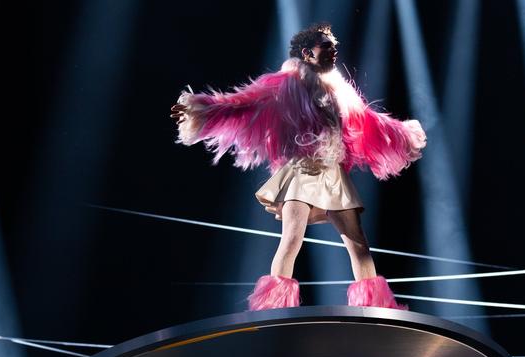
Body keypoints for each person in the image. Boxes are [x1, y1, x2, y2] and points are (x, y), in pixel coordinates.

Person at [171, 22, 426, 311]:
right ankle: (270, 310)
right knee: (292, 240)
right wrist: (200, 108)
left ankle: (374, 308)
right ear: (307, 52)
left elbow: (368, 121)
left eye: (334, 46)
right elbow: (242, 103)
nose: (334, 51)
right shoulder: (285, 84)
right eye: (327, 46)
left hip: (332, 173)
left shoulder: (339, 91)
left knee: (358, 244)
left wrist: (403, 134)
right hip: (303, 171)